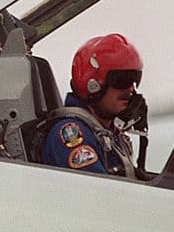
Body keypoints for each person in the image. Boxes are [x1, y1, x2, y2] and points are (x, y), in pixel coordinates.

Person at [40, 33, 150, 180]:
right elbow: (98, 196)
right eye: (123, 80)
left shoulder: (109, 133)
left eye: (135, 79)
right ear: (92, 84)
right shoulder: (72, 134)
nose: (130, 89)